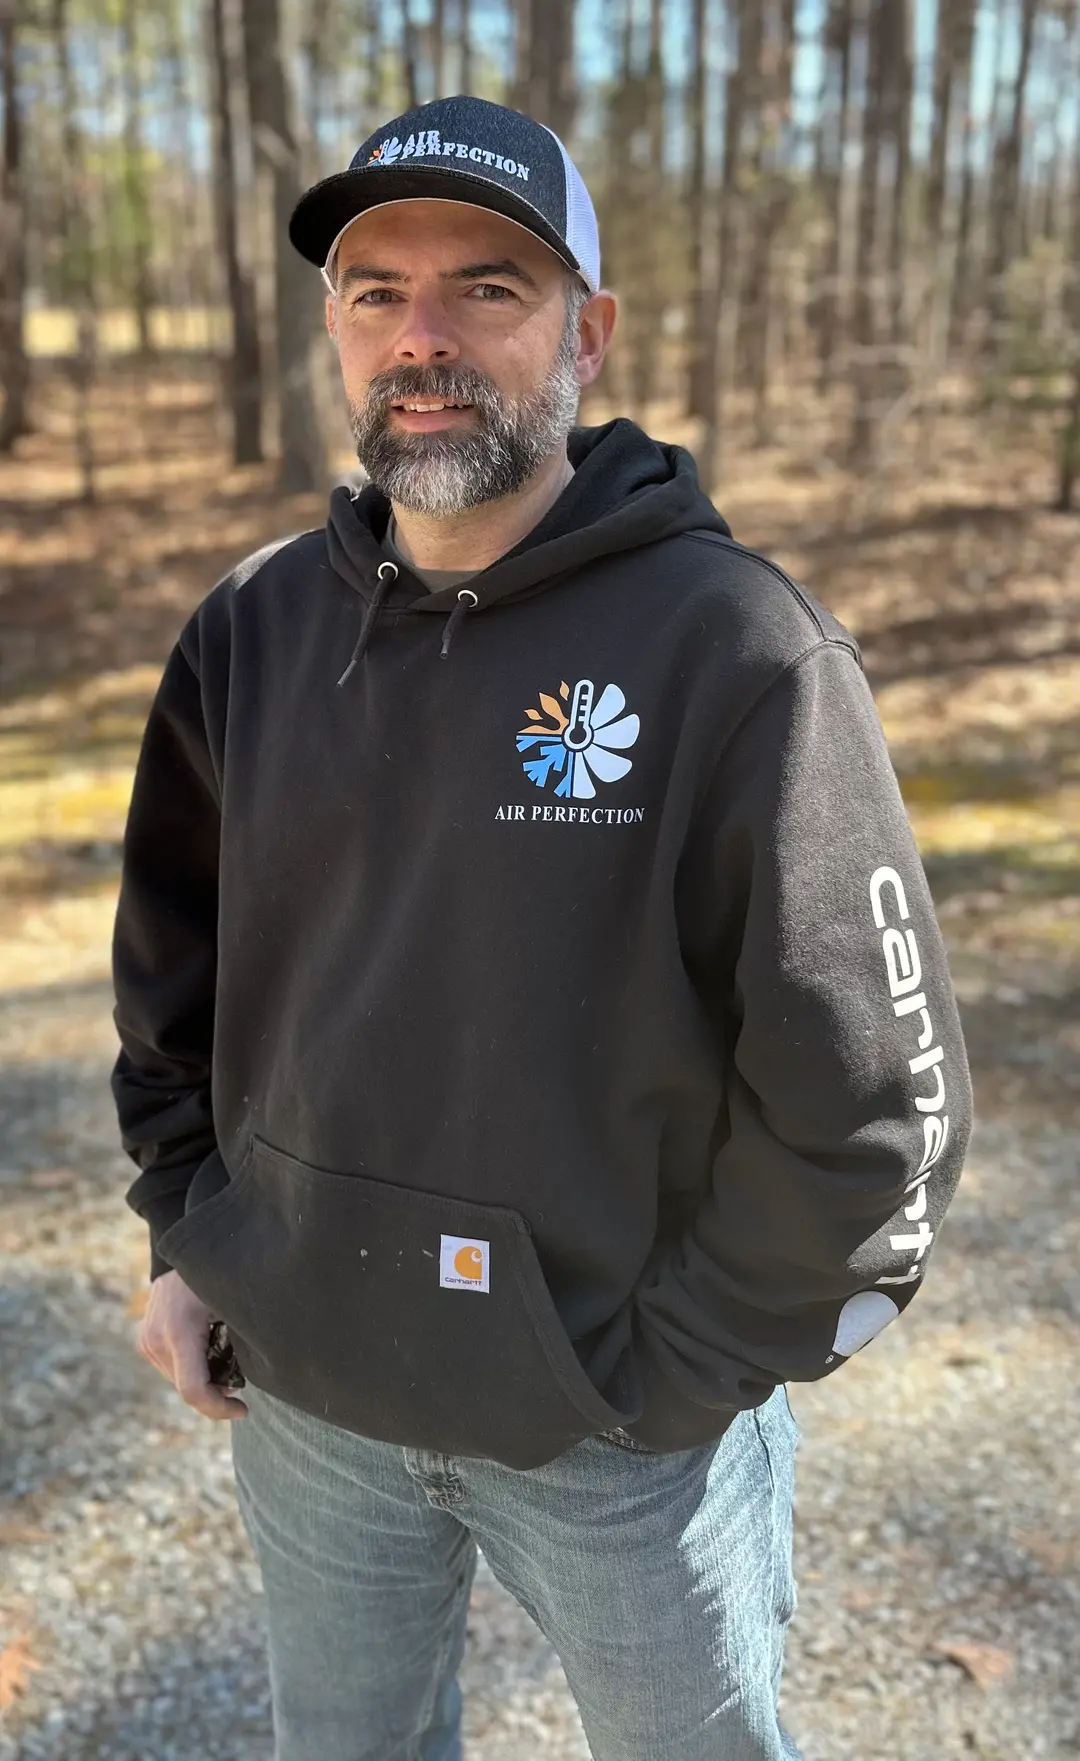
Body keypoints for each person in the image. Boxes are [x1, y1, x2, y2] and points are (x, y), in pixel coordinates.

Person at [111, 94, 973, 1761]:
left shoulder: (736, 649)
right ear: (336, 335)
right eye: (378, 294)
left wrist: (666, 1379)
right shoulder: (254, 629)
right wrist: (188, 1233)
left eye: (487, 289)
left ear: (587, 330)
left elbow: (881, 1115)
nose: (422, 340)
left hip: (620, 1447)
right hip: (310, 1409)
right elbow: (172, 984)